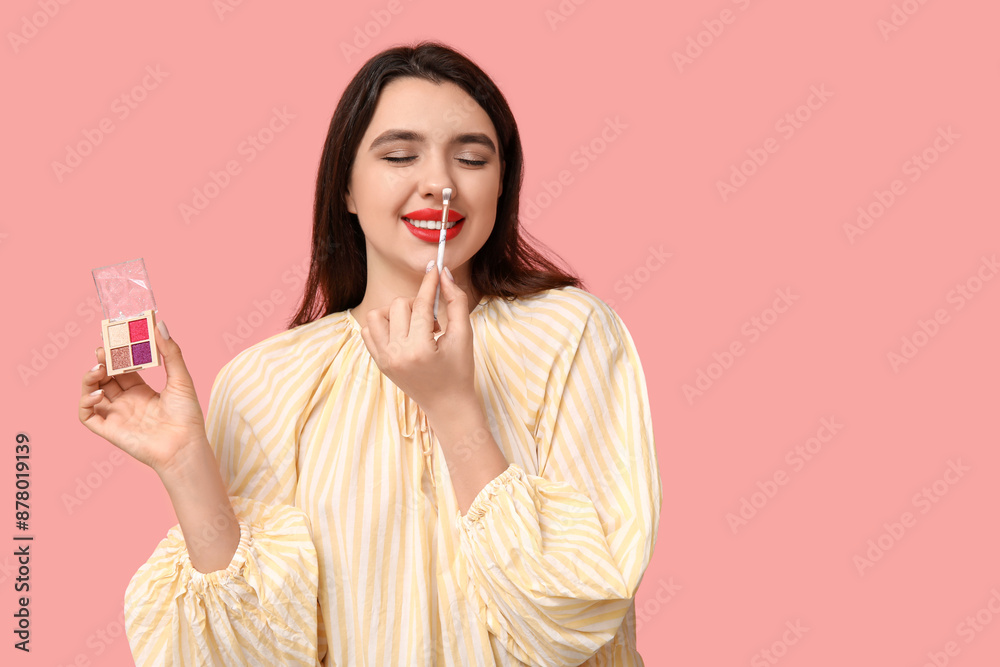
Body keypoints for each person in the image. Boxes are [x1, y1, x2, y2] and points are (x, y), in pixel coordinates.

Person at [78, 41, 661, 666]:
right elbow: (251, 657)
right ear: (347, 190)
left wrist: (452, 404)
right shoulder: (266, 382)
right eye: (400, 156)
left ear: (501, 186)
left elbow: (575, 611)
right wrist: (186, 465)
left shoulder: (569, 335)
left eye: (470, 158)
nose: (439, 184)